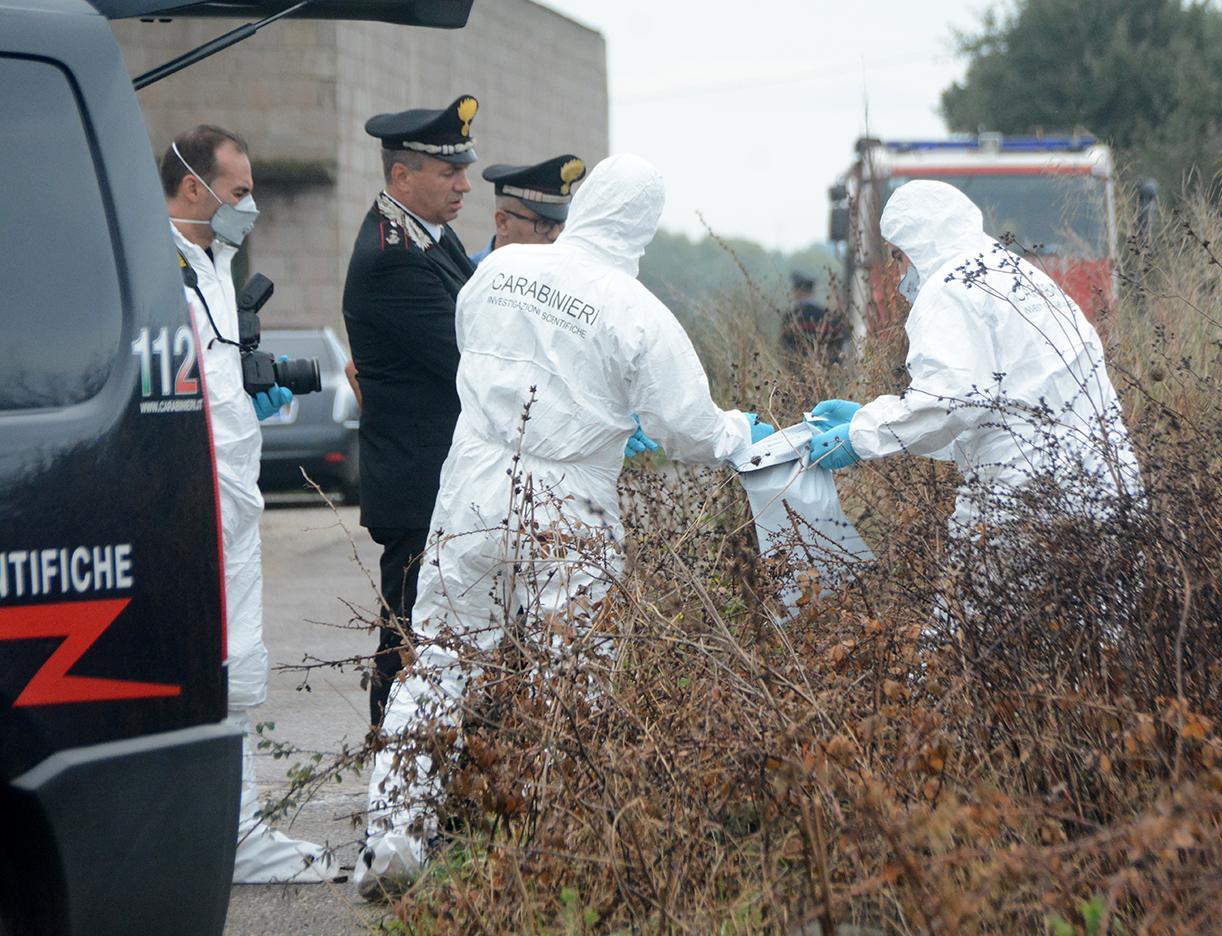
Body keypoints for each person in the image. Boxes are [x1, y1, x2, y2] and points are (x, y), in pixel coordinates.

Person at [353, 154, 775, 897]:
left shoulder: (496, 272)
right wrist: (746, 436)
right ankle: (549, 843)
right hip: (569, 501)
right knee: (571, 675)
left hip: (473, 486)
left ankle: (393, 838)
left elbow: (478, 361)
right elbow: (686, 429)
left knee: (442, 661)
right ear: (644, 224)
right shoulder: (638, 310)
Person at [162, 125, 336, 883]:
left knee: (225, 666)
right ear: (194, 188)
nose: (249, 207)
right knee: (223, 667)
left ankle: (216, 832)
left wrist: (242, 403)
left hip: (226, 496)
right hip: (201, 504)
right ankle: (230, 840)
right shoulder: (162, 270)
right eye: (238, 193)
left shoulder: (209, 265)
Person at [807, 179, 1140, 538]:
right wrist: (873, 416)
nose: (899, 273)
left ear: (920, 245)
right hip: (1112, 490)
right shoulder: (1021, 275)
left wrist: (859, 435)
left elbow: (948, 405)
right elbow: (993, 414)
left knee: (978, 594)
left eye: (899, 256)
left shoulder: (949, 288)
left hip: (1025, 501)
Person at [342, 95, 481, 730]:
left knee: (436, 639)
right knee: (407, 644)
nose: (464, 183)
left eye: (463, 169)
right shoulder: (392, 256)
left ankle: (420, 779)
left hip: (440, 475)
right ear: (402, 177)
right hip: (419, 481)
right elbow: (467, 357)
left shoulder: (432, 235)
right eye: (449, 172)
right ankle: (391, 786)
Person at [468, 154, 587, 264]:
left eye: (561, 224)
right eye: (544, 223)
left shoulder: (565, 282)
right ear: (502, 223)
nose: (556, 235)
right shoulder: (465, 280)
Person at [780, 271, 849, 360]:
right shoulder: (826, 315)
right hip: (824, 368)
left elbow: (783, 346)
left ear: (798, 291)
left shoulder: (790, 316)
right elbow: (839, 340)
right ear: (812, 292)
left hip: (796, 368)